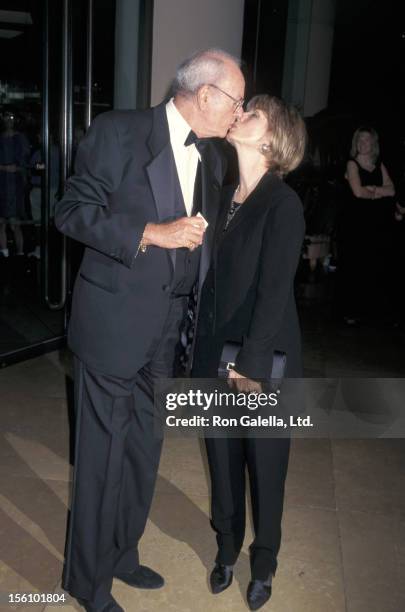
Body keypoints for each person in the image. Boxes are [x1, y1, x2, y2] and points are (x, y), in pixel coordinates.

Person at [54, 48, 245, 612]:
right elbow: (70, 210)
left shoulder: (212, 160)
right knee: (100, 459)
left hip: (171, 331)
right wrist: (148, 233)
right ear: (206, 95)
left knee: (143, 450)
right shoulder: (119, 131)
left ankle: (121, 555)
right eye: (235, 100)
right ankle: (85, 583)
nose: (238, 111)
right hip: (113, 324)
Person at [192, 95, 306, 610]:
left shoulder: (283, 203)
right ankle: (226, 547)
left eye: (252, 112)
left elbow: (276, 290)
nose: (239, 114)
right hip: (214, 351)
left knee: (265, 464)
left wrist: (251, 365)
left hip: (263, 359)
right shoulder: (221, 195)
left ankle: (264, 561)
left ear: (272, 138)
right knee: (221, 455)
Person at [338, 126, 395, 324]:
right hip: (355, 223)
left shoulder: (379, 164)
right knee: (355, 264)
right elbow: (357, 192)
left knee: (373, 263)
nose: (363, 144)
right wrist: (375, 194)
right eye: (360, 140)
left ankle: (370, 311)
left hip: (375, 223)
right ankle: (350, 311)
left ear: (373, 144)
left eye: (367, 140)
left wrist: (373, 188)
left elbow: (392, 190)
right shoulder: (351, 164)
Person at [0, 111, 30, 258]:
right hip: (2, 183)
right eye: (6, 117)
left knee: (15, 222)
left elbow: (26, 162)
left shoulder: (20, 138)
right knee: (1, 222)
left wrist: (18, 169)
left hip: (15, 184)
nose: (8, 120)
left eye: (11, 117)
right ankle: (4, 252)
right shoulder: (1, 139)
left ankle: (19, 253)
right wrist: (5, 168)